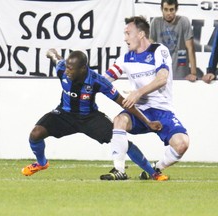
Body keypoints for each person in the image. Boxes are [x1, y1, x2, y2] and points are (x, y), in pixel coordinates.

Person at [21, 48, 168, 181]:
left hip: (89, 118)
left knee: (121, 141)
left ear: (83, 68)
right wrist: (51, 53)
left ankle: (153, 173)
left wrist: (147, 122)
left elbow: (124, 103)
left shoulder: (97, 81)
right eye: (67, 67)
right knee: (35, 134)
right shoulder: (62, 70)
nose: (67, 71)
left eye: (71, 69)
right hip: (64, 114)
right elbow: (55, 57)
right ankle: (41, 164)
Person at [100, 16, 189, 180]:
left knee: (182, 144)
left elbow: (162, 79)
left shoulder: (158, 50)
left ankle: (156, 168)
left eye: (128, 33)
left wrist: (138, 93)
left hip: (162, 111)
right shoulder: (125, 58)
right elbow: (104, 80)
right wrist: (86, 80)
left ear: (141, 34)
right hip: (140, 111)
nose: (125, 38)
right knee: (119, 120)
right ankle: (119, 170)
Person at [150, 0, 197, 81]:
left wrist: (193, 73)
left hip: (180, 71)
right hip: (161, 71)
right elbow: (149, 47)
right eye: (166, 9)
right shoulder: (156, 22)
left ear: (176, 9)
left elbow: (190, 48)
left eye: (171, 9)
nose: (169, 13)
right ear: (161, 9)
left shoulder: (184, 21)